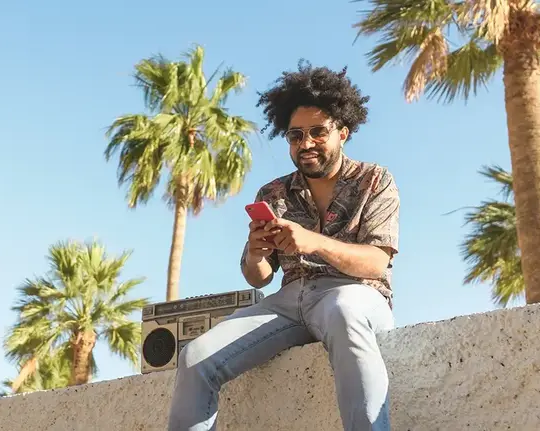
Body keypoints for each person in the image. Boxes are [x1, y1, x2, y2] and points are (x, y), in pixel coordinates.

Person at [167, 62, 400, 431]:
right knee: (195, 357)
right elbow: (259, 278)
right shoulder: (273, 192)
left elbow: (376, 263)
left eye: (318, 132)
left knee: (344, 311)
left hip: (356, 294)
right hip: (289, 302)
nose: (306, 144)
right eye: (295, 135)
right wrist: (255, 253)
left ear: (343, 133)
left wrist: (313, 242)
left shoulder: (375, 179)